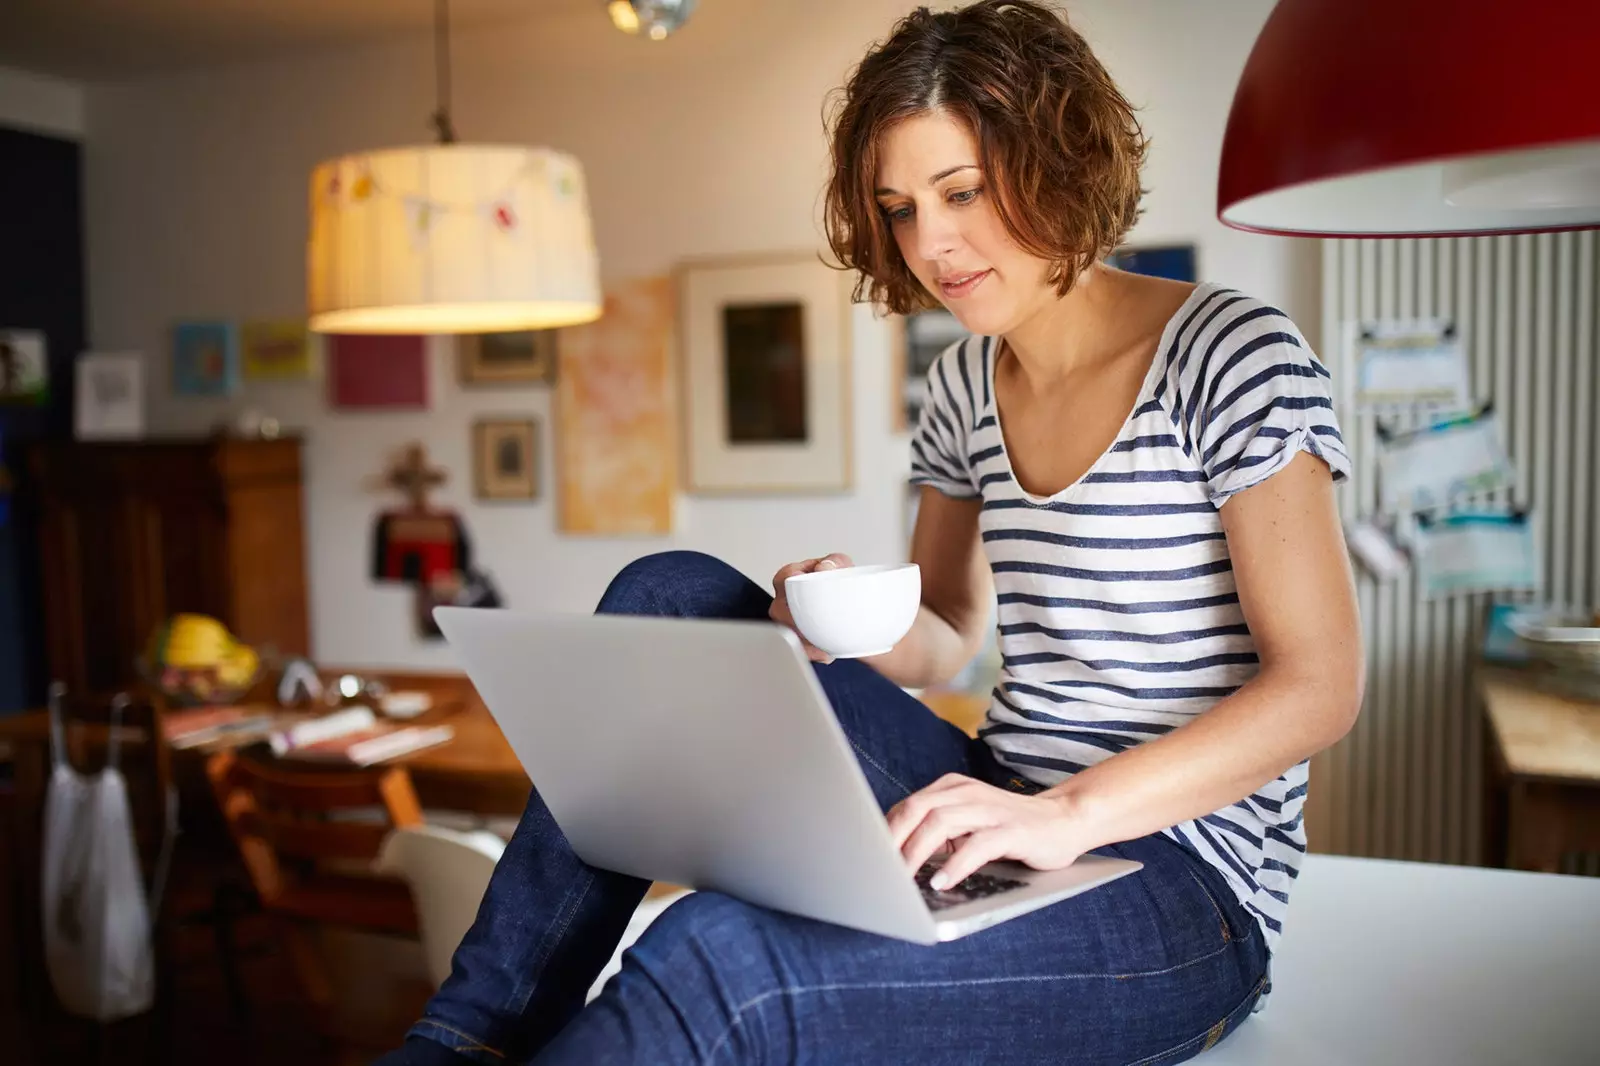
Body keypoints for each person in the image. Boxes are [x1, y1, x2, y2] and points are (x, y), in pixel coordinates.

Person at [375, 2, 1362, 1063]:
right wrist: (823, 622)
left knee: (717, 954)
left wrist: (1068, 815)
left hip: (1181, 891)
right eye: (898, 208)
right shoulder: (964, 383)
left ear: (1059, 159)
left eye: (961, 192)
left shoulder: (1229, 352)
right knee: (669, 591)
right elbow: (945, 631)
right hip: (998, 801)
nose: (929, 243)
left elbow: (1318, 684)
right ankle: (462, 1041)